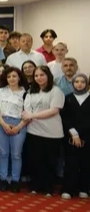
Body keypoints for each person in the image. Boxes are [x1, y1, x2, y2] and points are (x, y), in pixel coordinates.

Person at [24, 65, 64, 196]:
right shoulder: (31, 91)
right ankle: (35, 186)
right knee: (35, 160)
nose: (39, 78)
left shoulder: (56, 91)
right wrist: (30, 115)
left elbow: (54, 110)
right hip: (34, 130)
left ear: (48, 76)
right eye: (36, 75)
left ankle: (48, 188)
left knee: (50, 161)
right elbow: (27, 108)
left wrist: (33, 115)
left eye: (42, 75)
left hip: (51, 132)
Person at [0, 67, 28, 192]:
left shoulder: (25, 92)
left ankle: (15, 180)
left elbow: (28, 112)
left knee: (16, 154)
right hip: (2, 122)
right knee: (3, 153)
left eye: (14, 76)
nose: (11, 79)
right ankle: (3, 179)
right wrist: (3, 124)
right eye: (9, 77)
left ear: (19, 77)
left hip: (19, 123)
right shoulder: (0, 91)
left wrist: (18, 127)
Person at [61, 73, 90, 200]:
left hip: (87, 136)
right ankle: (68, 188)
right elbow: (65, 118)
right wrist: (74, 134)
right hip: (71, 136)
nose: (79, 84)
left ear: (86, 84)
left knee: (86, 163)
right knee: (70, 163)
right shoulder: (68, 98)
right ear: (73, 84)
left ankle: (84, 188)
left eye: (82, 82)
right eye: (76, 82)